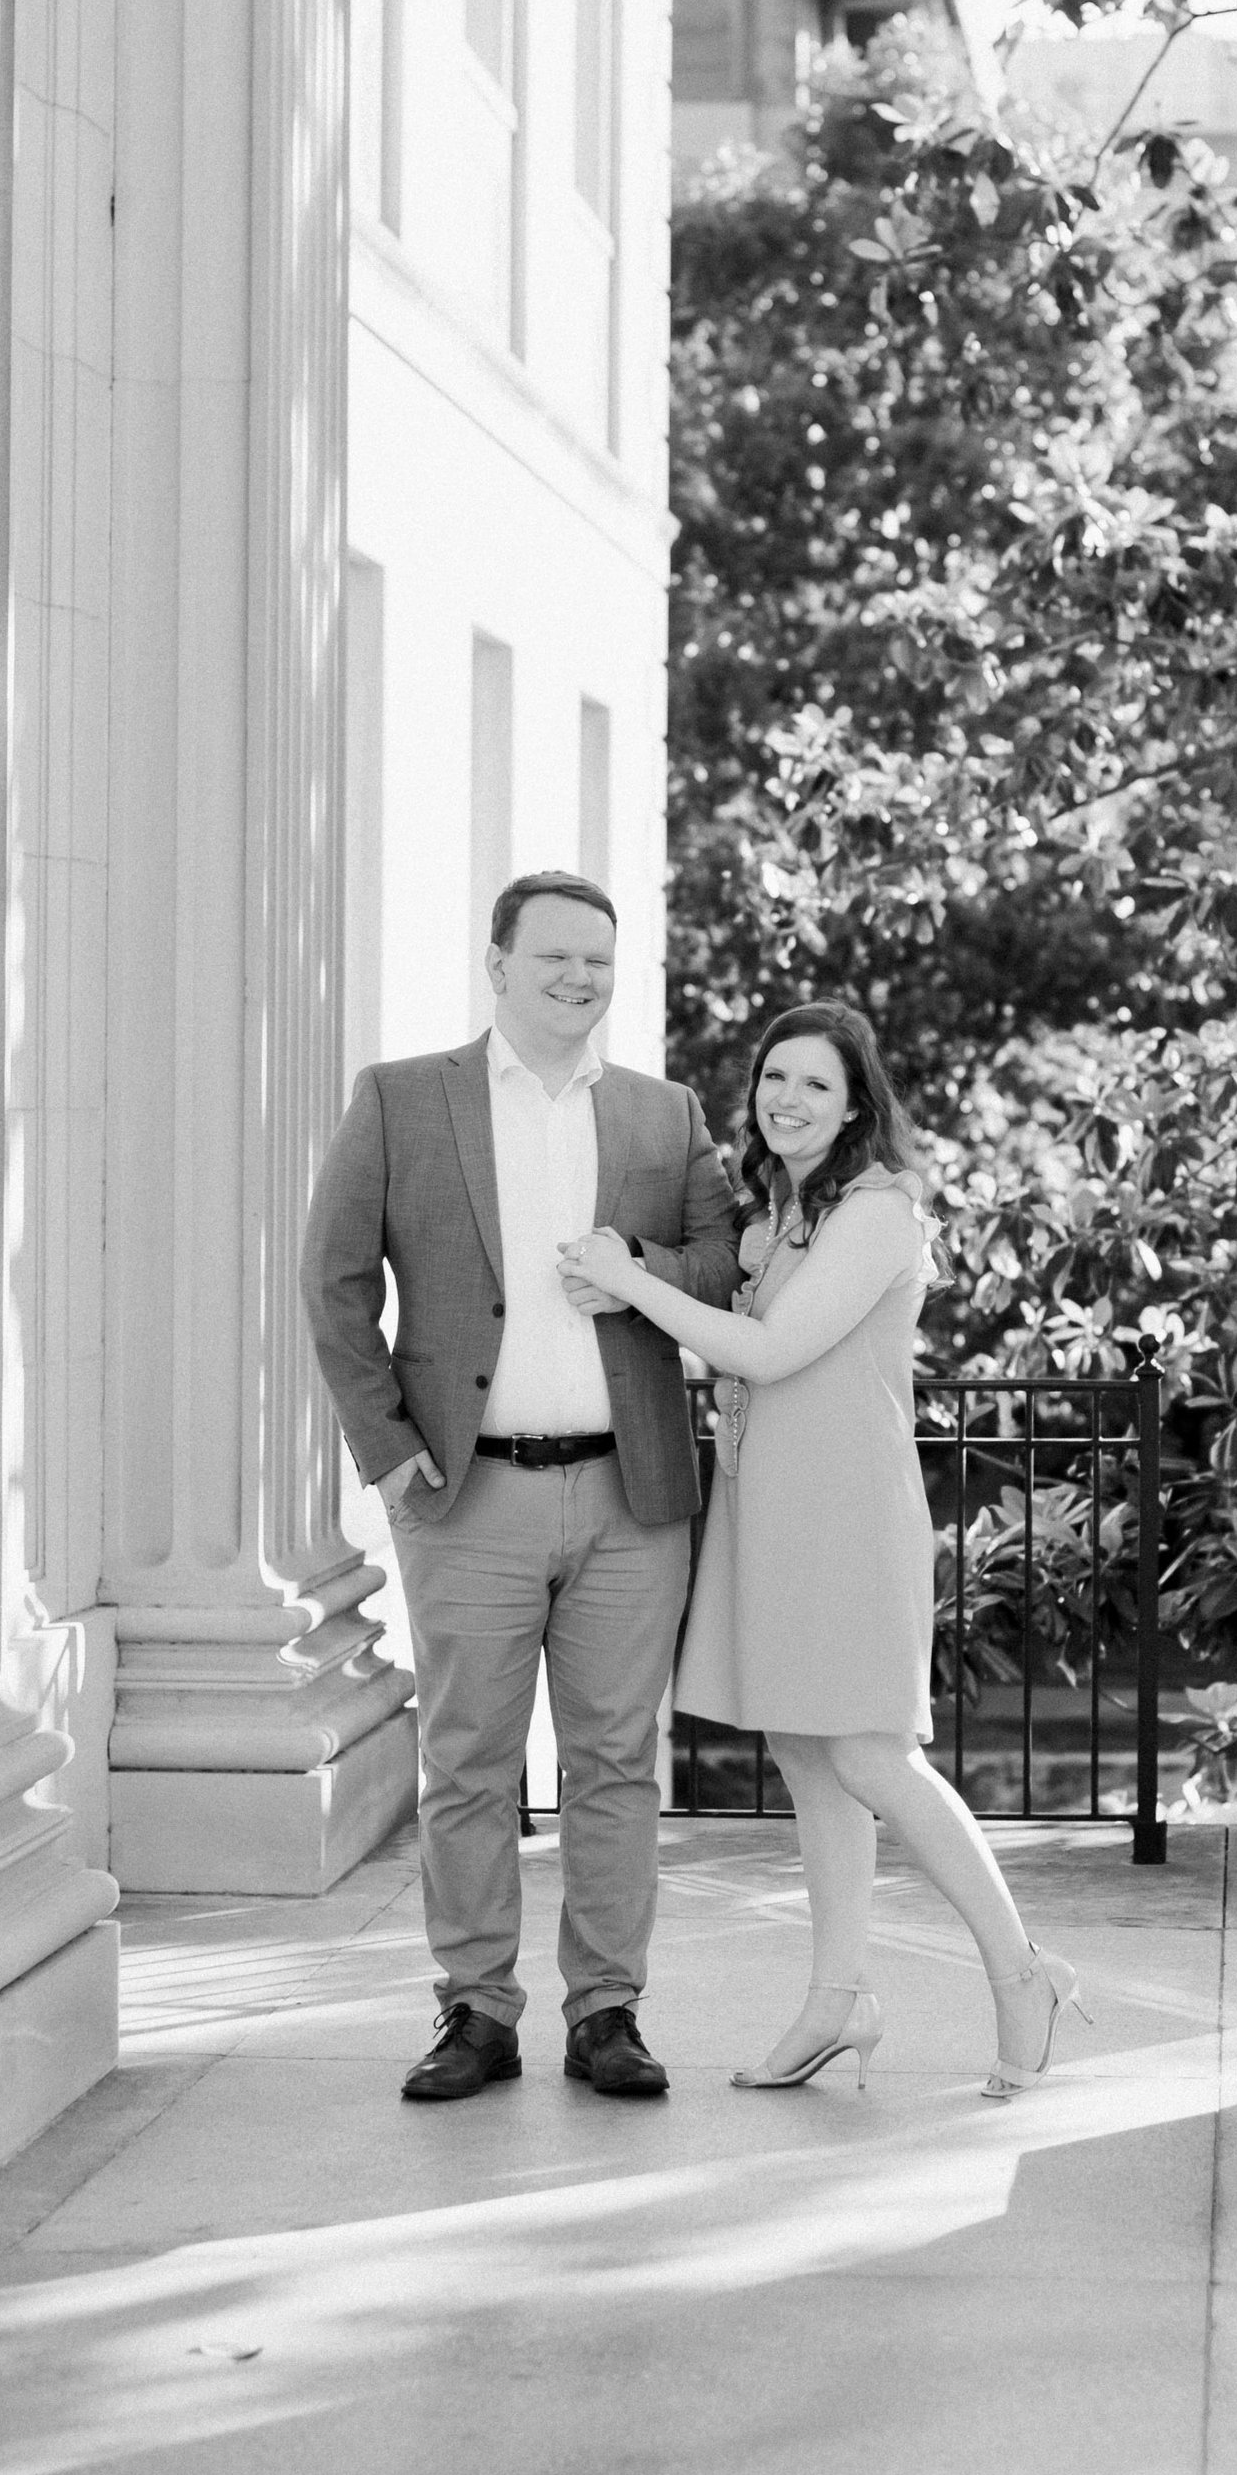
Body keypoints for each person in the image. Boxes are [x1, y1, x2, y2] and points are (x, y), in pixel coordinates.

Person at [556, 1000, 1090, 2104]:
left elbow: (767, 1348)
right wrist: (650, 1270)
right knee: (806, 1759)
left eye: (815, 1084)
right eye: (773, 1079)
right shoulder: (777, 1216)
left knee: (869, 1757)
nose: (786, 1099)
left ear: (857, 1107)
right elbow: (733, 1336)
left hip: (847, 1517)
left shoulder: (877, 1213)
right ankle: (836, 1998)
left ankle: (1022, 1972)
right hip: (768, 1510)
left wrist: (626, 1283)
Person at [300, 873, 739, 2105]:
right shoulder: (401, 1100)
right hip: (467, 1495)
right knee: (470, 1763)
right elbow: (332, 1283)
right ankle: (474, 2010)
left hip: (628, 1493)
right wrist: (385, 1449)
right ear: (497, 965)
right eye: (552, 957)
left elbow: (719, 1260)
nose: (577, 979)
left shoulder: (665, 1117)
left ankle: (608, 2011)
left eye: (597, 960)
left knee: (615, 1763)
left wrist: (641, 1268)